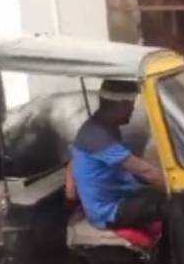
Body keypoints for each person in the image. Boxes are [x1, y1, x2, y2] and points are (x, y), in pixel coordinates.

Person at [70, 81, 166, 230]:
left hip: (119, 196)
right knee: (174, 203)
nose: (133, 110)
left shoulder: (104, 127)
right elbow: (144, 170)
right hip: (108, 212)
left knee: (158, 193)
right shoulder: (97, 135)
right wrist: (179, 186)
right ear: (121, 104)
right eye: (131, 104)